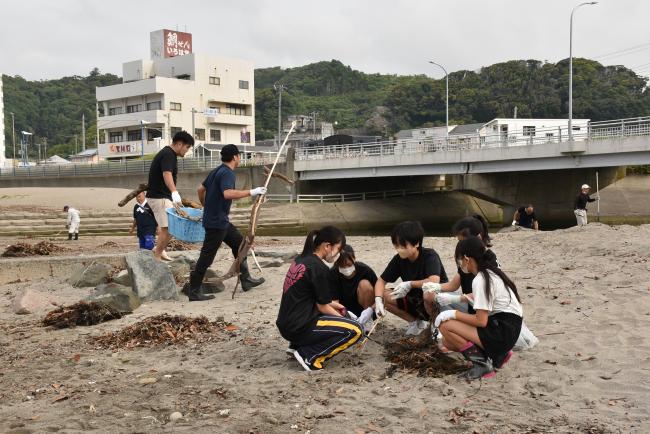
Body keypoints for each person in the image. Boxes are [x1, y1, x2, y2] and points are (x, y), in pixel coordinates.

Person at [185, 144, 267, 302]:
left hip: (219, 220)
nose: (240, 158)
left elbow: (200, 189)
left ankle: (246, 279)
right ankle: (194, 290)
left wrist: (206, 206)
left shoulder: (217, 170)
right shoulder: (228, 173)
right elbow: (227, 193)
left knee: (240, 244)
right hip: (216, 222)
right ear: (235, 157)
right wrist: (252, 191)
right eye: (239, 156)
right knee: (207, 256)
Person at [434, 236, 523, 380]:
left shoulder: (481, 279)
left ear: (467, 259)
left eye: (460, 260)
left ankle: (481, 365)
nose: (460, 265)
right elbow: (480, 298)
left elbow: (481, 321)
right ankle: (498, 355)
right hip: (509, 329)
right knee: (447, 342)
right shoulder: (491, 272)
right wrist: (456, 299)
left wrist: (452, 313)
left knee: (446, 326)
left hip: (502, 332)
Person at [276, 226, 363, 371]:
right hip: (300, 327)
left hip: (286, 324)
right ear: (327, 246)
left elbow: (322, 300)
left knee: (341, 313)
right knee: (355, 330)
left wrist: (341, 308)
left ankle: (297, 346)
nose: (337, 255)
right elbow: (323, 307)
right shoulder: (319, 268)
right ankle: (310, 355)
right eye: (338, 249)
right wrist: (345, 320)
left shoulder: (301, 259)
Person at [374, 221, 448, 336]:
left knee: (429, 292)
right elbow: (381, 281)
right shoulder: (399, 259)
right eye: (396, 245)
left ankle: (436, 325)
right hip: (415, 301)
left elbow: (434, 281)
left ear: (416, 243)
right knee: (384, 294)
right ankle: (415, 323)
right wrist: (378, 300)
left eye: (403, 246)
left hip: (438, 303)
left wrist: (410, 284)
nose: (399, 249)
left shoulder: (430, 256)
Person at [424, 215, 497, 315]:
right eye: (459, 241)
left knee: (447, 316)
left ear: (478, 237)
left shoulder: (490, 261)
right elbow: (454, 284)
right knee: (431, 296)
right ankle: (437, 325)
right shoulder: (464, 255)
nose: (461, 245)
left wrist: (455, 299)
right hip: (470, 305)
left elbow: (485, 295)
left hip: (486, 311)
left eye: (463, 241)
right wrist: (435, 287)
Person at [146, 131, 194, 261]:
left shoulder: (168, 154)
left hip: (161, 196)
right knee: (168, 228)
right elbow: (166, 174)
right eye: (187, 147)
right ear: (179, 144)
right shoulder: (168, 154)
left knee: (170, 228)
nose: (187, 151)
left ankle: (159, 251)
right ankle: (157, 257)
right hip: (159, 197)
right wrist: (174, 192)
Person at [329, 244, 377, 331]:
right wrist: (343, 313)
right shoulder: (333, 274)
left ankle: (368, 321)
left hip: (365, 310)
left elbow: (380, 295)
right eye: (342, 266)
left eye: (348, 264)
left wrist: (370, 310)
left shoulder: (365, 270)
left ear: (354, 258)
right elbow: (334, 301)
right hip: (344, 311)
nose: (346, 268)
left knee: (365, 284)